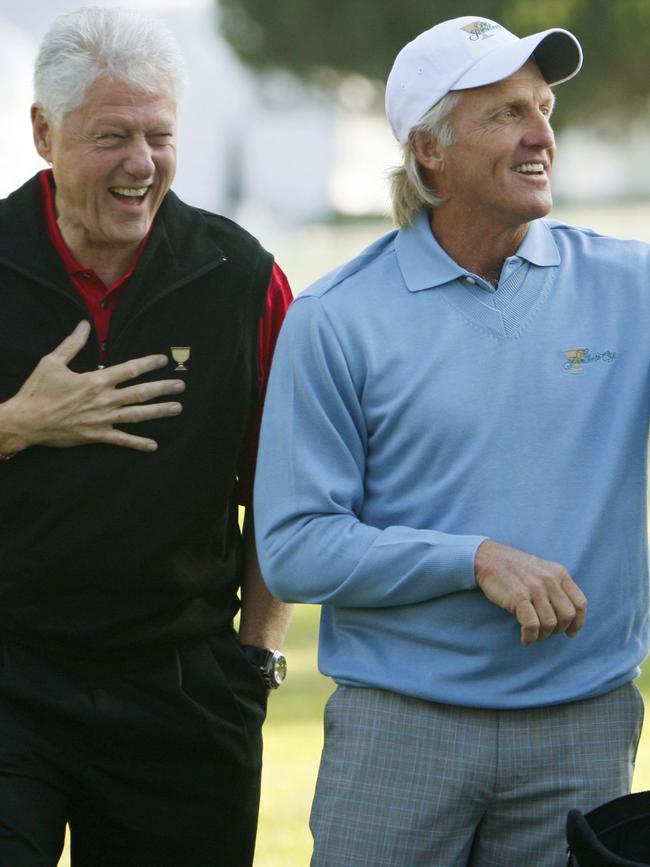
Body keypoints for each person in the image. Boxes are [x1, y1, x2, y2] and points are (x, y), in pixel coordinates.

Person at [254, 15, 649, 867]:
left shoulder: (633, 287)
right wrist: (472, 558)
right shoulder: (336, 319)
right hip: (401, 729)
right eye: (506, 112)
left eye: (543, 108)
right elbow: (293, 548)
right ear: (430, 149)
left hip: (583, 729)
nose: (541, 133)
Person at [0, 7, 293, 866]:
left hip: (185, 691)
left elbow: (287, 488)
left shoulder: (240, 276)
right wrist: (18, 424)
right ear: (44, 133)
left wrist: (254, 662)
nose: (141, 163)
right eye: (112, 136)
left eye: (159, 136)